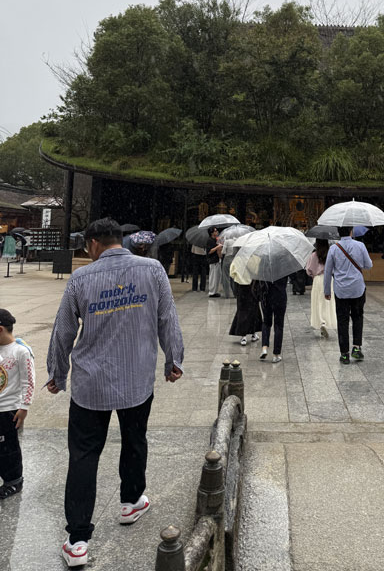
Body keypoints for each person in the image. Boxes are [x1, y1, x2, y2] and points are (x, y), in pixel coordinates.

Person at [46, 218, 184, 568]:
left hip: (90, 384)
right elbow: (167, 318)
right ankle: (131, 502)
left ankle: (78, 540)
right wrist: (174, 361)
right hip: (136, 379)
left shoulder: (81, 278)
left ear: (93, 243)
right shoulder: (152, 270)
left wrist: (57, 374)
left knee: (83, 456)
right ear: (118, 240)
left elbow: (63, 331)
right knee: (135, 439)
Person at [323, 226, 373, 364]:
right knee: (357, 317)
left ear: (338, 233)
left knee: (342, 321)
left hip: (341, 290)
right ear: (351, 231)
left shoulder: (333, 249)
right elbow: (368, 265)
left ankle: (344, 354)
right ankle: (356, 348)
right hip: (357, 288)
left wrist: (327, 290)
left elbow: (327, 271)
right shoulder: (360, 246)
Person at [0, 309, 35, 499]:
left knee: (8, 447)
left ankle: (14, 480)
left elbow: (28, 381)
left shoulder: (20, 351)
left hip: (9, 409)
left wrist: (24, 407)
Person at [306, 239, 336, 338]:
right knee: (327, 302)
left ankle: (321, 322)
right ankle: (326, 322)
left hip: (317, 279)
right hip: (329, 279)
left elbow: (309, 270)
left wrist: (313, 274)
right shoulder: (331, 253)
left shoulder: (313, 255)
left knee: (318, 301)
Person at [257, 277, 288, 363]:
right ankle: (276, 354)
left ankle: (264, 348)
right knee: (278, 325)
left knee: (266, 322)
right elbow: (293, 277)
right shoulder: (283, 268)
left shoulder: (264, 268)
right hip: (280, 296)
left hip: (266, 297)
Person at [206, 227, 222, 298]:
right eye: (215, 231)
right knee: (213, 277)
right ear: (212, 233)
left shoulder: (215, 240)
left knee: (217, 277)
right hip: (213, 260)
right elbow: (209, 251)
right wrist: (217, 247)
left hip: (216, 260)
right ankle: (212, 292)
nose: (217, 232)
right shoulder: (209, 240)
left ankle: (215, 291)